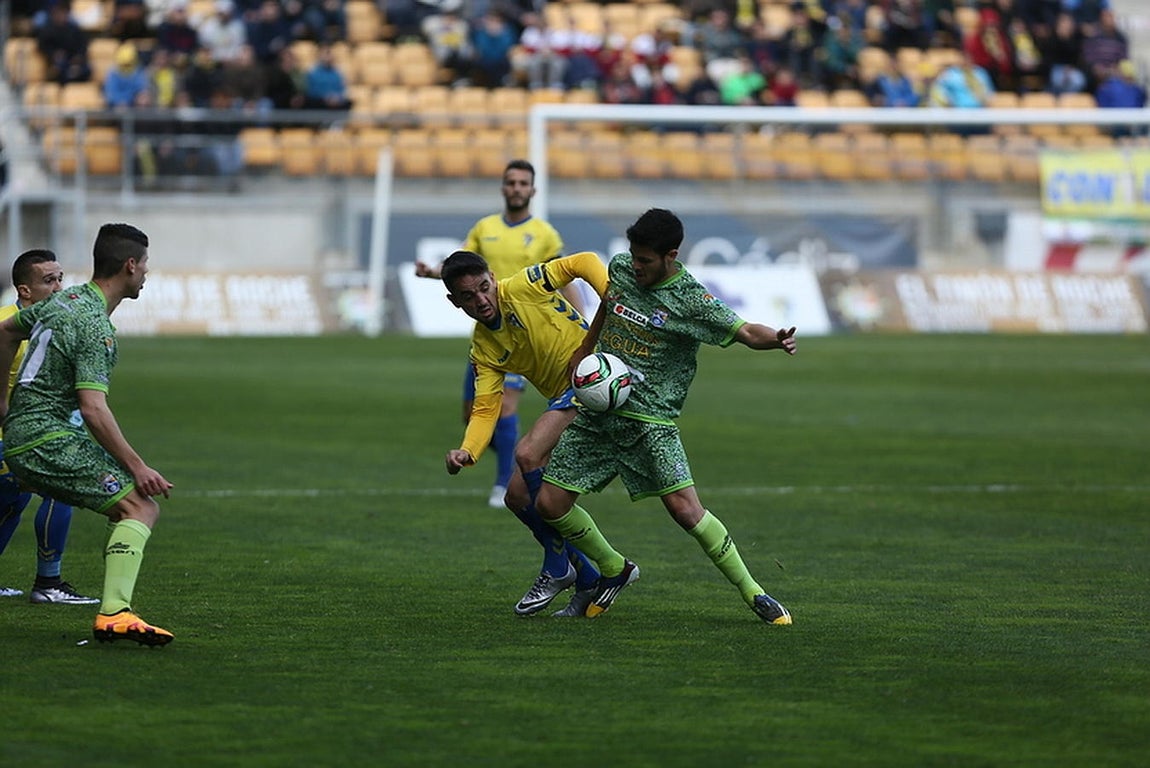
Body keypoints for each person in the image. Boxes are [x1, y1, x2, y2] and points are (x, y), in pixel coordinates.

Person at [535, 208, 797, 625]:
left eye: (646, 261)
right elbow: (610, 303)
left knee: (685, 511)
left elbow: (745, 331)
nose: (635, 266)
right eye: (633, 256)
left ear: (670, 255)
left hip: (650, 422)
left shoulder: (691, 299)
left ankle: (756, 594)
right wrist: (586, 346)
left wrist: (776, 339)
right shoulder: (621, 269)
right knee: (550, 502)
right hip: (600, 414)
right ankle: (615, 568)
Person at [0, 223, 175, 646]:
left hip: (21, 436)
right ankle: (115, 613)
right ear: (130, 266)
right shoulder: (96, 327)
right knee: (140, 507)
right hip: (47, 441)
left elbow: (5, 331)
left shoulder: (67, 300)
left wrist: (4, 409)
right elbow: (93, 408)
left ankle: (91, 598)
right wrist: (138, 466)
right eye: (145, 264)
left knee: (122, 509)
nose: (148, 273)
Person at [439, 249, 609, 616]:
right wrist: (468, 450)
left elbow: (582, 262)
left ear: (494, 278)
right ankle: (587, 574)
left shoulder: (525, 285)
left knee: (527, 454)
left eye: (484, 287)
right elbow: (486, 408)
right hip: (564, 399)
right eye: (468, 297)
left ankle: (560, 565)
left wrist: (608, 291)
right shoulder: (483, 347)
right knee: (517, 496)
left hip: (592, 382)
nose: (481, 300)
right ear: (455, 302)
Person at [415, 160, 572, 510]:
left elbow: (565, 278)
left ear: (532, 190)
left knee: (503, 408)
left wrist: (584, 321)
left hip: (526, 332)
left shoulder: (544, 234)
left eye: (523, 183)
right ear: (503, 188)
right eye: (510, 182)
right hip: (489, 332)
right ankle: (529, 456)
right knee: (472, 416)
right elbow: (458, 267)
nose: (516, 188)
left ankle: (504, 483)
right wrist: (430, 274)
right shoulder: (484, 228)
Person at [0, 251, 98, 605]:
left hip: (26, 433)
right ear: (25, 290)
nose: (58, 288)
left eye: (60, 279)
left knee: (13, 500)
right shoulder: (6, 326)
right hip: (12, 436)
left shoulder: (51, 327)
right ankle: (48, 583)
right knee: (58, 489)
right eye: (49, 281)